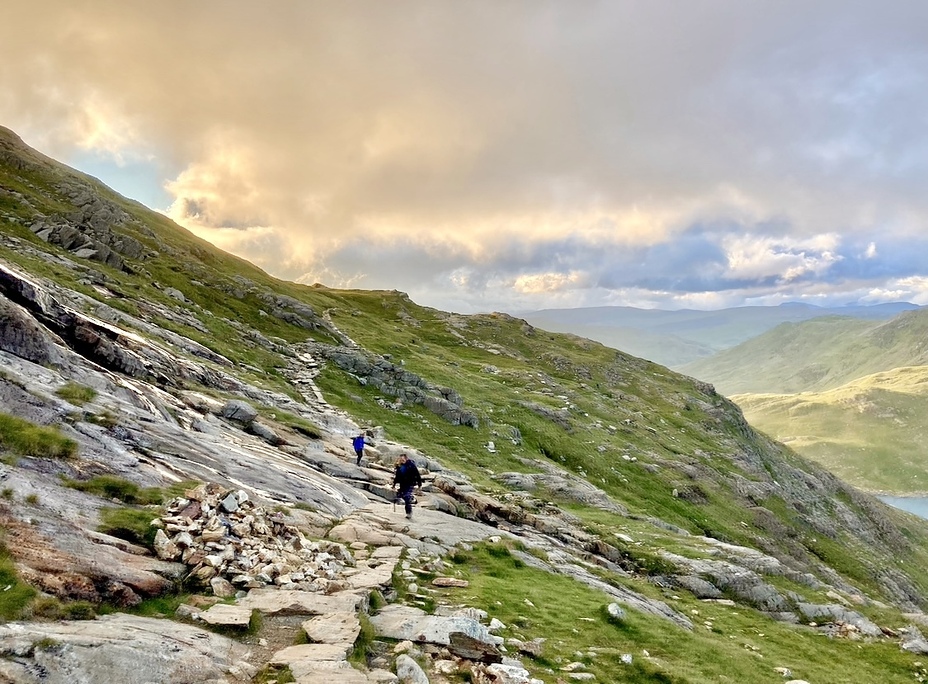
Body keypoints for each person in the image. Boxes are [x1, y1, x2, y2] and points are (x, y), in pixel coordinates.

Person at [393, 453, 422, 519]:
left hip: (410, 483)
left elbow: (417, 474)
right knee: (401, 495)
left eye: (403, 460)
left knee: (406, 496)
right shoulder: (399, 467)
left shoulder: (411, 465)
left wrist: (419, 484)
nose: (401, 461)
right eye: (400, 460)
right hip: (403, 484)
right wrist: (394, 485)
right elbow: (397, 477)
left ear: (406, 459)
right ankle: (410, 498)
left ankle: (409, 512)